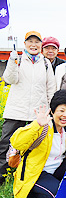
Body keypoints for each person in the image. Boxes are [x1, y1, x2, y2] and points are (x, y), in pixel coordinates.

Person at [10, 90, 66, 198]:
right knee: (53, 194)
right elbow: (16, 142)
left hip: (56, 168)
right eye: (61, 111)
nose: (65, 115)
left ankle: (59, 194)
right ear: (52, 110)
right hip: (37, 171)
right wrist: (36, 125)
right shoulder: (43, 125)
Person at [0, 31, 56, 185]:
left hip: (37, 115)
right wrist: (12, 61)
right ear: (24, 44)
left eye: (37, 42)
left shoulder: (45, 64)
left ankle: (26, 177)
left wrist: (50, 110)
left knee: (33, 147)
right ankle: (2, 177)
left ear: (41, 45)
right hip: (16, 111)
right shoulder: (18, 60)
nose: (33, 45)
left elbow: (50, 88)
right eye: (30, 42)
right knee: (6, 143)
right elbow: (10, 79)